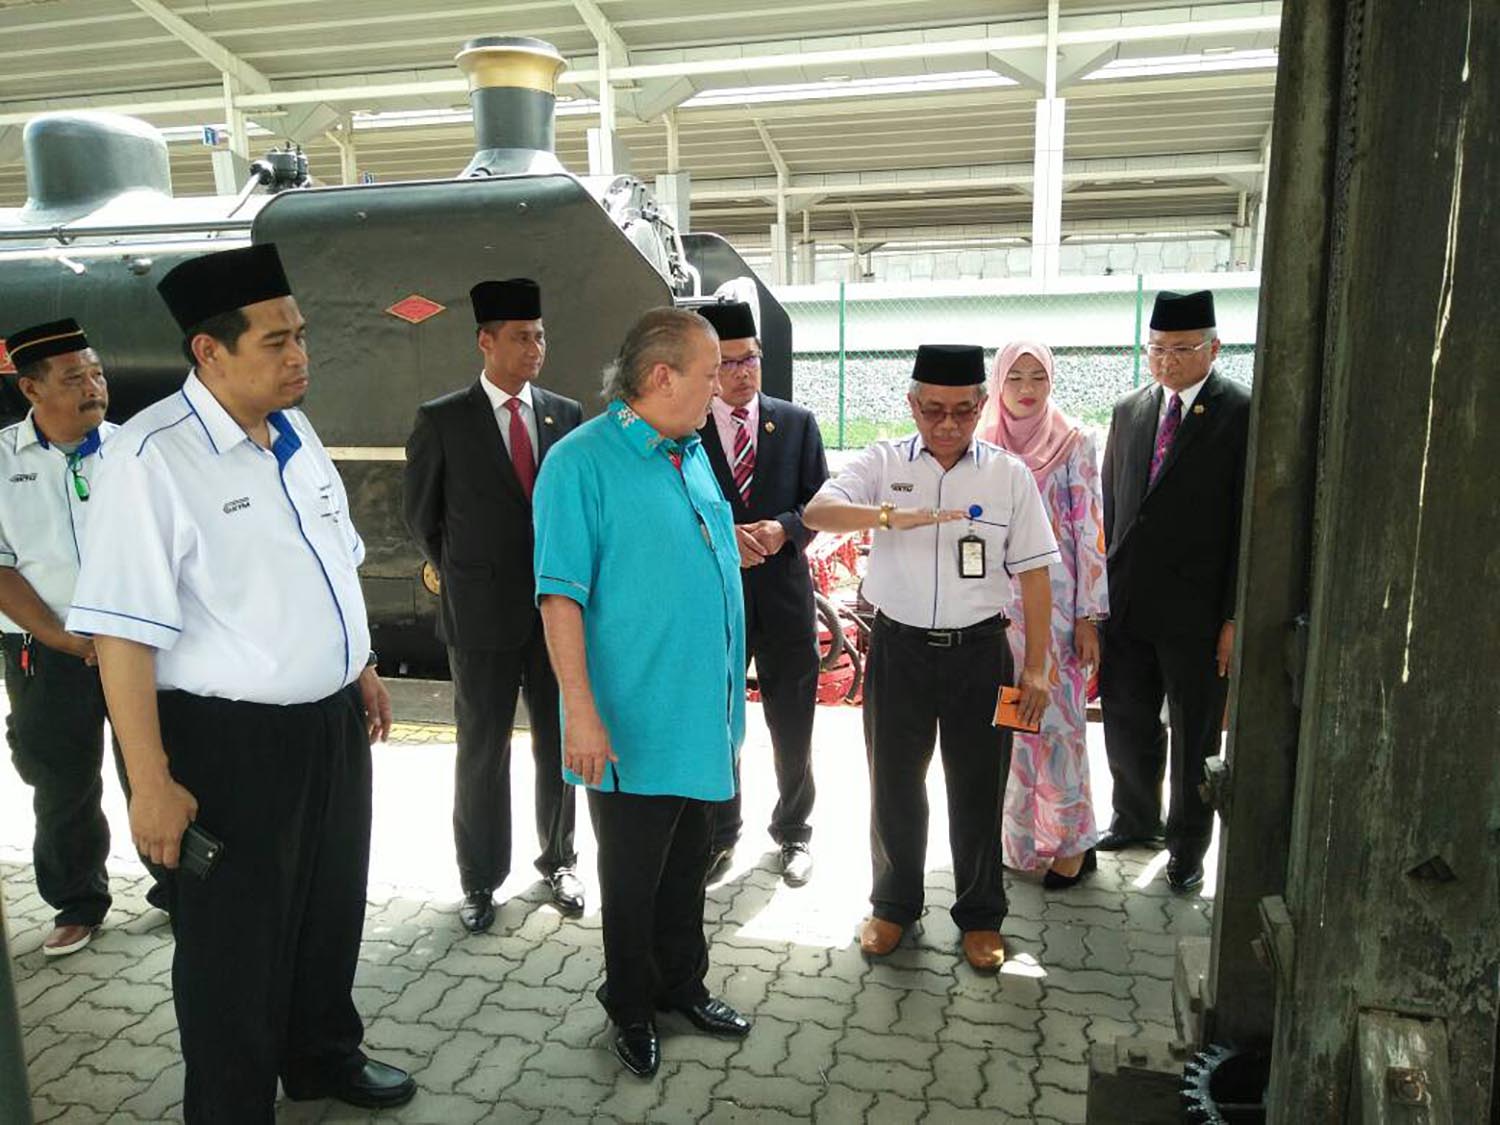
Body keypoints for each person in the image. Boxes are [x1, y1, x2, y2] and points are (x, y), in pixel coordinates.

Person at [66, 244, 415, 1121]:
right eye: (276, 341)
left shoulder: (294, 432)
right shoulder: (152, 458)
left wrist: (361, 668)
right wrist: (150, 782)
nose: (300, 355)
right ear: (209, 351)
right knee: (235, 944)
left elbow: (331, 561)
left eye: (301, 335)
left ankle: (321, 1055)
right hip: (228, 744)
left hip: (328, 723)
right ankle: (231, 1104)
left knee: (329, 905)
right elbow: (121, 633)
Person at [533, 307, 752, 1078]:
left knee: (690, 864)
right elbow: (559, 596)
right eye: (710, 373)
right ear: (661, 376)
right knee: (631, 881)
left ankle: (680, 986)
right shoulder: (579, 463)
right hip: (631, 723)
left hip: (701, 715)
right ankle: (629, 1004)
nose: (720, 388)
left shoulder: (687, 449)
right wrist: (580, 711)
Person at [804, 344, 1058, 972]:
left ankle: (981, 915)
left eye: (963, 411)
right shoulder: (883, 461)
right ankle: (893, 905)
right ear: (912, 404)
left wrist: (1036, 667)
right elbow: (817, 512)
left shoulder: (1008, 475)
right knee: (894, 784)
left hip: (981, 654)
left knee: (979, 788)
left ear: (982, 405)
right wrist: (890, 516)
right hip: (899, 652)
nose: (948, 424)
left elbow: (1034, 576)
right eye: (934, 410)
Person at [403, 277, 584, 932]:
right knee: (482, 750)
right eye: (520, 337)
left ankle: (559, 860)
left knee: (560, 742)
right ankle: (479, 879)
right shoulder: (444, 419)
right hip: (480, 617)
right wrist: (469, 572)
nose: (534, 348)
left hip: (555, 613)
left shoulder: (565, 414)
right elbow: (422, 518)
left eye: (540, 336)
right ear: (485, 341)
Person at [1098, 289, 1250, 894]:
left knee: (1195, 732)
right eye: (1158, 348)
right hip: (1128, 601)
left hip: (1198, 611)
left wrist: (1234, 615)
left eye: (1183, 349)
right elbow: (1113, 507)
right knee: (1127, 717)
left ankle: (1188, 848)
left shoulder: (1242, 411)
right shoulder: (1130, 409)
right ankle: (1135, 818)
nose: (1168, 360)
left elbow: (1247, 524)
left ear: (1214, 348)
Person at [695, 299, 828, 888]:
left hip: (785, 597)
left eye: (749, 359)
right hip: (717, 601)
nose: (741, 373)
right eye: (726, 364)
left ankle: (794, 831)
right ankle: (720, 834)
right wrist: (725, 536)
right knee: (720, 721)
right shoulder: (688, 429)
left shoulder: (795, 423)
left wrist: (786, 529)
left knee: (793, 723)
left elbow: (821, 502)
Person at [0, 319, 117, 956]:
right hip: (43, 648)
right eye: (74, 378)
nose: (93, 386)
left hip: (136, 646)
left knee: (161, 767)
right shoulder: (1, 460)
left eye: (96, 373)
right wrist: (61, 637)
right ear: (31, 388)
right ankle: (78, 902)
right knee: (62, 780)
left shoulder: (134, 453)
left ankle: (180, 890)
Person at [979, 340, 1108, 889]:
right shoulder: (984, 442)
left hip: (1057, 612)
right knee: (1013, 726)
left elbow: (1089, 528)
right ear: (998, 383)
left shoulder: (1074, 441)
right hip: (998, 611)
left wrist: (1088, 616)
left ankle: (1073, 843)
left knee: (1059, 729)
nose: (1027, 389)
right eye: (1015, 378)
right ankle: (1021, 839)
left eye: (1038, 377)